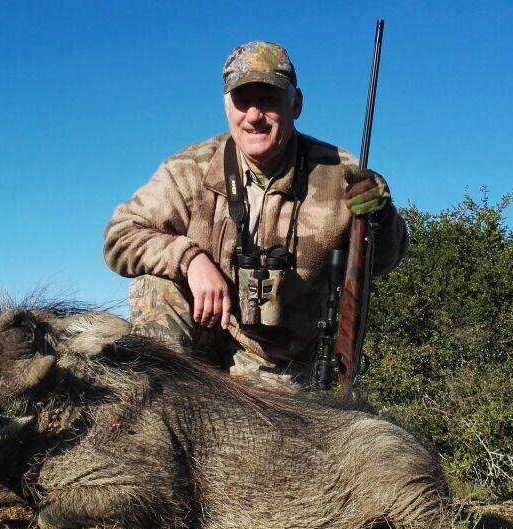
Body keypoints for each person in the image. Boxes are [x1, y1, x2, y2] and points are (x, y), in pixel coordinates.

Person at [104, 41, 408, 386]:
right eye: (242, 101)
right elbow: (120, 236)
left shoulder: (342, 173)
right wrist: (190, 259)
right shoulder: (189, 168)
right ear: (226, 107)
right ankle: (160, 405)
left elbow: (384, 259)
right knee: (156, 285)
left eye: (268, 100)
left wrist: (382, 217)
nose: (253, 116)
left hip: (278, 362)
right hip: (201, 338)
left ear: (296, 103)